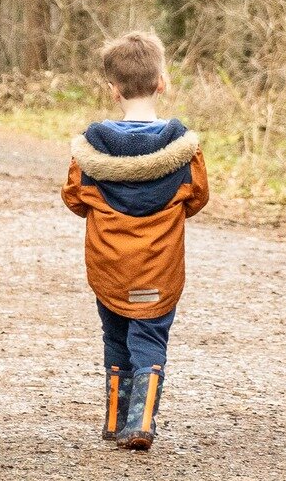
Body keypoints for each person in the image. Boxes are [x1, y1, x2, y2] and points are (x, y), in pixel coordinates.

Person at [61, 31, 209, 452]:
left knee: (115, 334)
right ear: (163, 81)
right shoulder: (183, 148)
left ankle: (114, 420)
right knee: (150, 336)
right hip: (159, 266)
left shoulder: (91, 148)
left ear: (112, 90)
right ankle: (141, 423)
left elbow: (74, 198)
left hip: (109, 265)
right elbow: (197, 196)